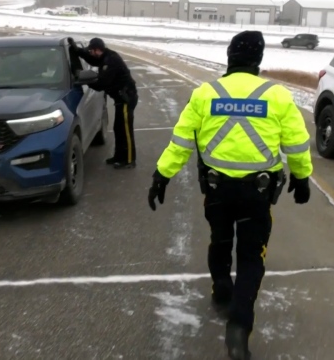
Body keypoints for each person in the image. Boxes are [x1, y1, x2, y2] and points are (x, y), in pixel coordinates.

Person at [147, 30, 313, 359]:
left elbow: (181, 141)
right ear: (258, 59)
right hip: (258, 193)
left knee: (220, 240)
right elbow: (296, 141)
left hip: (217, 190)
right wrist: (302, 177)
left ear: (229, 56)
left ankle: (221, 289)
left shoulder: (206, 93)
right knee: (251, 258)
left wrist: (161, 175)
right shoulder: (276, 96)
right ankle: (238, 328)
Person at [68, 37, 138, 169]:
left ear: (97, 49)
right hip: (120, 98)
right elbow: (92, 59)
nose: (90, 53)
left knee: (125, 130)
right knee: (118, 128)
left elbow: (101, 84)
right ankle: (119, 156)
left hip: (126, 98)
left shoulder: (110, 61)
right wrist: (78, 51)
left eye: (91, 50)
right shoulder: (104, 56)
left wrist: (84, 80)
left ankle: (129, 160)